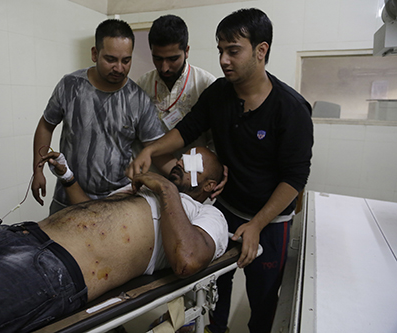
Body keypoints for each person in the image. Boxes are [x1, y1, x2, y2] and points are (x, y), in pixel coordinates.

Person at [0, 147, 228, 333]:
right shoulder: (143, 193)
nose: (184, 162)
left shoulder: (204, 214)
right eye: (184, 157)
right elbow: (89, 215)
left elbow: (187, 259)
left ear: (210, 184)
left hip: (47, 271)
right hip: (16, 235)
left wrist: (166, 186)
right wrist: (66, 174)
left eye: (194, 164)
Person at [127, 8, 314, 333]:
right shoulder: (219, 94)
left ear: (261, 50)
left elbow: (294, 179)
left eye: (233, 51)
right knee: (215, 288)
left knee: (263, 299)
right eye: (220, 51)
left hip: (270, 223)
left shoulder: (291, 109)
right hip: (225, 210)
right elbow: (186, 130)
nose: (224, 60)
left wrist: (256, 225)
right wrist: (151, 149)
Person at [32, 18, 173, 215]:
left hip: (116, 203)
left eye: (126, 60)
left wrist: (188, 176)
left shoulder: (138, 100)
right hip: (67, 199)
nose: (119, 68)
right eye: (111, 59)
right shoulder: (70, 86)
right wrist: (37, 170)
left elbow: (156, 150)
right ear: (94, 54)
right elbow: (46, 125)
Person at [136, 14, 216, 158]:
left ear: (186, 51)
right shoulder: (142, 85)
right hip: (153, 171)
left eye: (173, 59)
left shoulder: (205, 84)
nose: (165, 67)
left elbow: (215, 142)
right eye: (158, 58)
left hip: (193, 176)